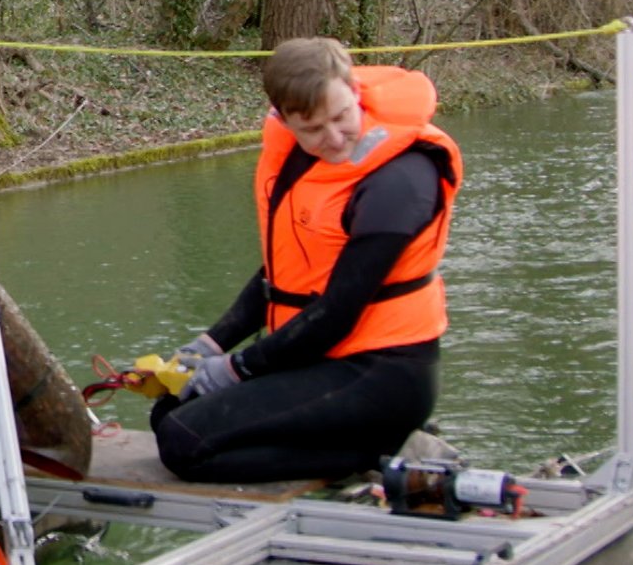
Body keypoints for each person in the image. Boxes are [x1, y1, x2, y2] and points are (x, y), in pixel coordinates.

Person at [149, 37, 463, 485]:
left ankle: (385, 449)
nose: (334, 138)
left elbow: (337, 311)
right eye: (313, 129)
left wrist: (238, 368)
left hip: (384, 373)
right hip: (321, 360)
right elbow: (282, 276)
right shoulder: (301, 160)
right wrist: (211, 345)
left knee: (183, 442)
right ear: (284, 119)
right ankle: (355, 444)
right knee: (169, 412)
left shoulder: (402, 179)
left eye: (342, 117)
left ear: (355, 90)